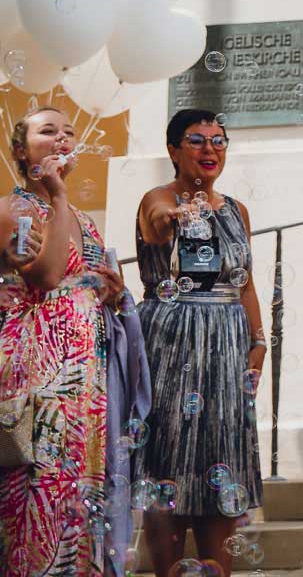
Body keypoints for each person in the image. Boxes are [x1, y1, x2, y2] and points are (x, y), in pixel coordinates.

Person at [133, 109, 265, 577]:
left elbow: (245, 282)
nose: (210, 149)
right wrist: (174, 216)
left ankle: (217, 569)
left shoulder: (236, 210)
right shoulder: (158, 199)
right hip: (172, 344)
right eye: (196, 140)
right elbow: (155, 225)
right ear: (173, 150)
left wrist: (258, 341)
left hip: (228, 347)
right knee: (170, 453)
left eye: (219, 141)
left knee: (220, 456)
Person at [0, 106, 127, 576]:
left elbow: (90, 283)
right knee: (39, 493)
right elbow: (49, 277)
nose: (60, 139)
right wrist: (56, 193)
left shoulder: (82, 218)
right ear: (20, 149)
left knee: (78, 498)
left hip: (82, 380)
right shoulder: (15, 209)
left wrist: (111, 292)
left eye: (68, 132)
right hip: (36, 378)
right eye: (46, 131)